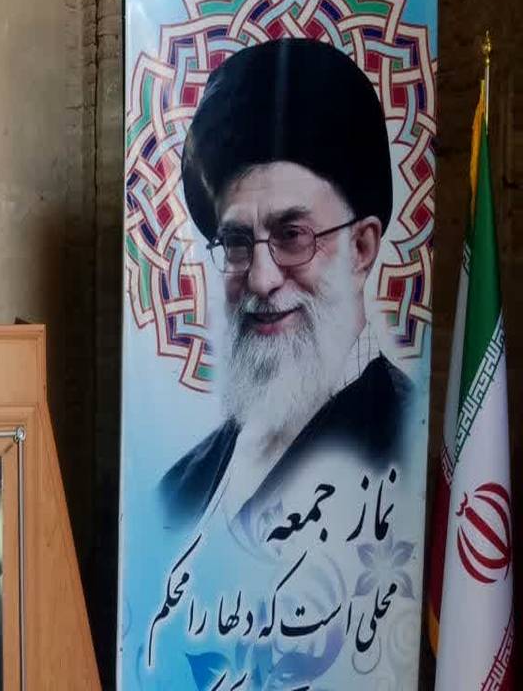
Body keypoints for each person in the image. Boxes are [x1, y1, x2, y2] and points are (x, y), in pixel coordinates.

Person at [158, 38, 413, 530]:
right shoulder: (181, 487)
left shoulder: (406, 444)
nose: (261, 278)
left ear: (361, 248)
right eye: (237, 242)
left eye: (292, 236)